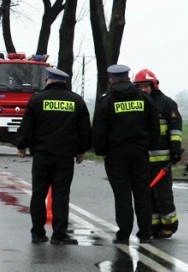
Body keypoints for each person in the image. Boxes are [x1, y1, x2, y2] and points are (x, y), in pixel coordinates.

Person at [16, 67, 92, 245]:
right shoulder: (76, 101)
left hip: (42, 155)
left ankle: (38, 232)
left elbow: (27, 125)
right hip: (65, 156)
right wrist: (81, 150)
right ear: (63, 81)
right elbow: (84, 130)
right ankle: (59, 234)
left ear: (49, 80)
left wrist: (21, 146)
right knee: (61, 195)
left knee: (38, 194)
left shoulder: (37, 99)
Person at [92, 64, 160, 245]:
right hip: (140, 153)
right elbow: (154, 126)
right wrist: (150, 146)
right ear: (128, 77)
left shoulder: (106, 100)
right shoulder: (145, 98)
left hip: (116, 155)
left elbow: (99, 128)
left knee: (122, 195)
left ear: (111, 79)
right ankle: (145, 232)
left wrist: (101, 150)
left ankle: (123, 233)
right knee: (142, 193)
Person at [133, 68, 183, 238]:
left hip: (162, 159)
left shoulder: (166, 103)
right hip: (143, 158)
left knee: (163, 195)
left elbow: (175, 127)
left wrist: (175, 148)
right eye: (139, 86)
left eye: (146, 86)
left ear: (153, 86)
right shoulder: (137, 104)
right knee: (148, 196)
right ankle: (154, 226)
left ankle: (169, 225)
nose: (143, 89)